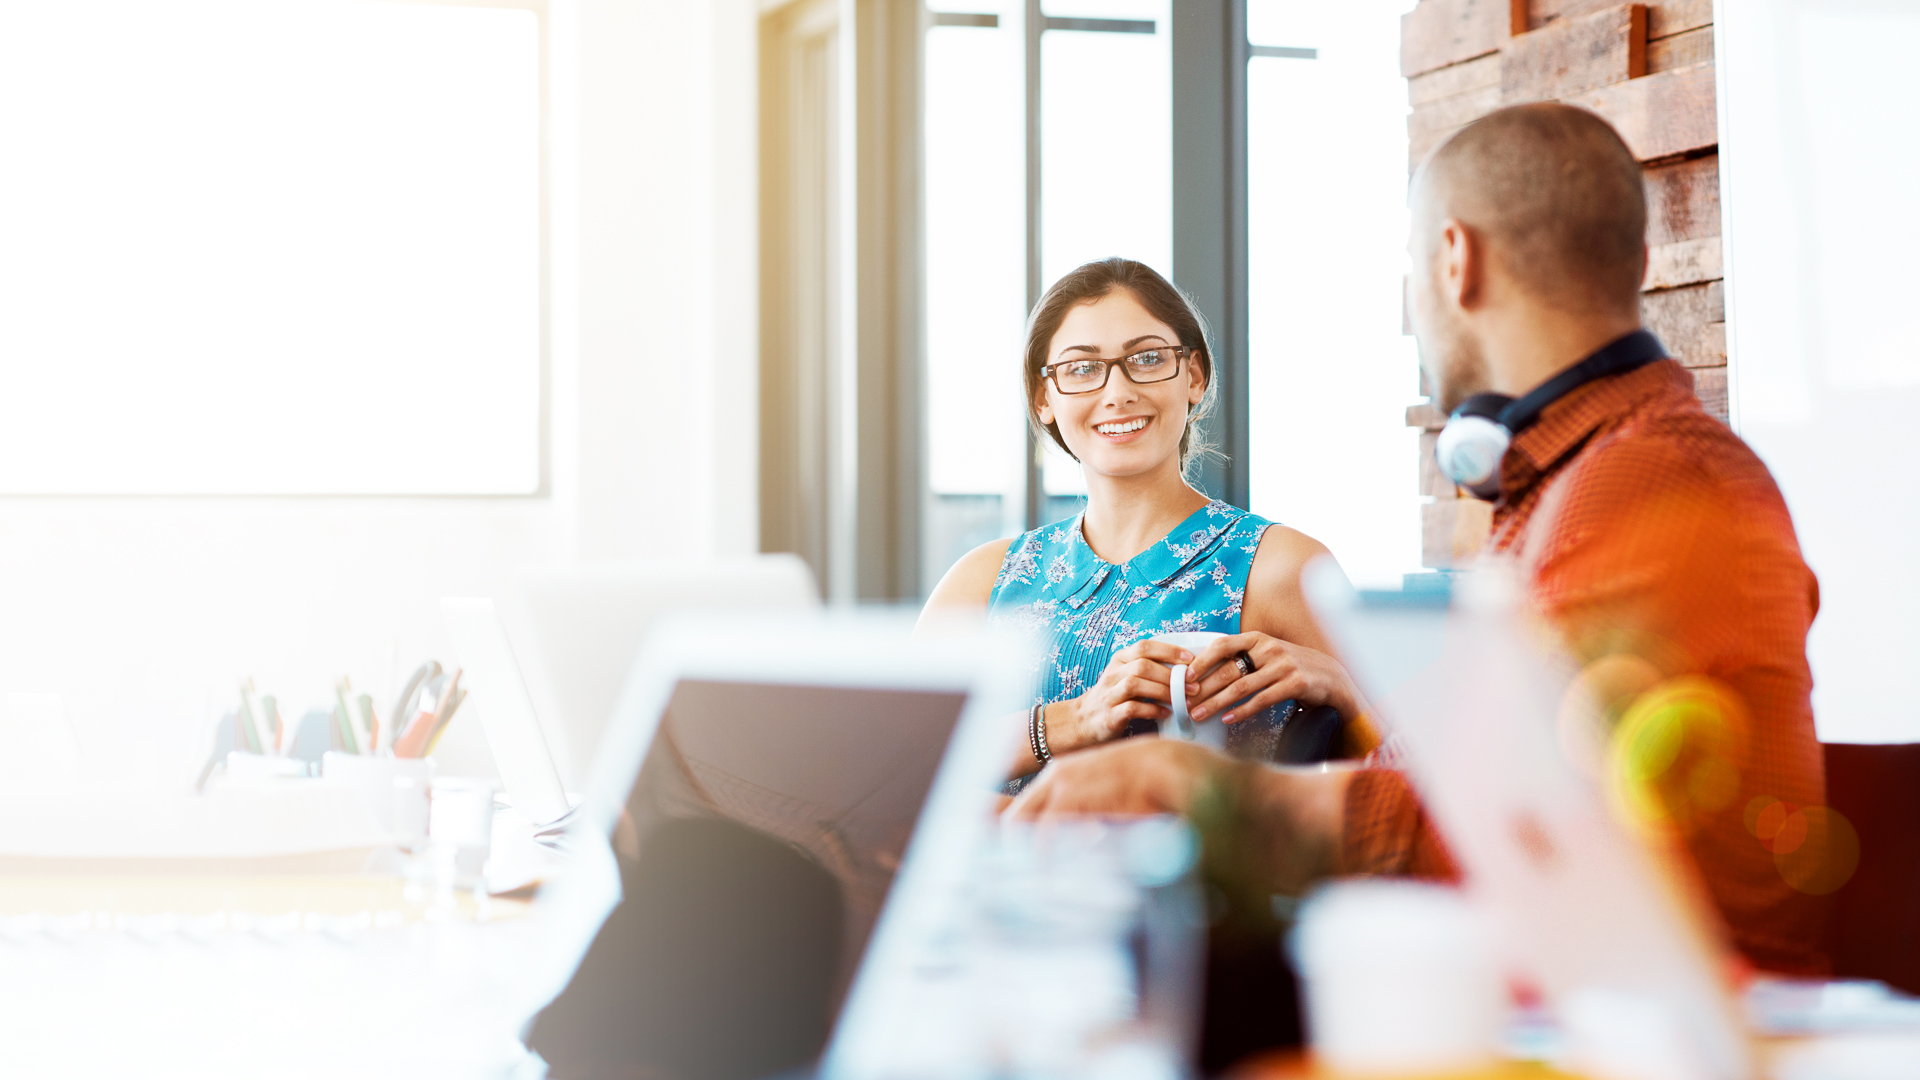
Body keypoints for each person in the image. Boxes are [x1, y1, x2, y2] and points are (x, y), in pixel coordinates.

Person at [1007, 104, 1830, 976]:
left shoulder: (1648, 485)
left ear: (1454, 259)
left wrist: (1181, 786)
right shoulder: (1572, 482)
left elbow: (1506, 825)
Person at [919, 258, 1372, 785]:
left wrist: (1348, 691)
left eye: (1148, 358)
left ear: (1194, 377)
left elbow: (1422, 787)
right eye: (1082, 368)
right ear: (1044, 398)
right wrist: (1074, 721)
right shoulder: (983, 580)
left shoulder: (1282, 568)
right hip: (987, 868)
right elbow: (886, 769)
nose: (1117, 392)